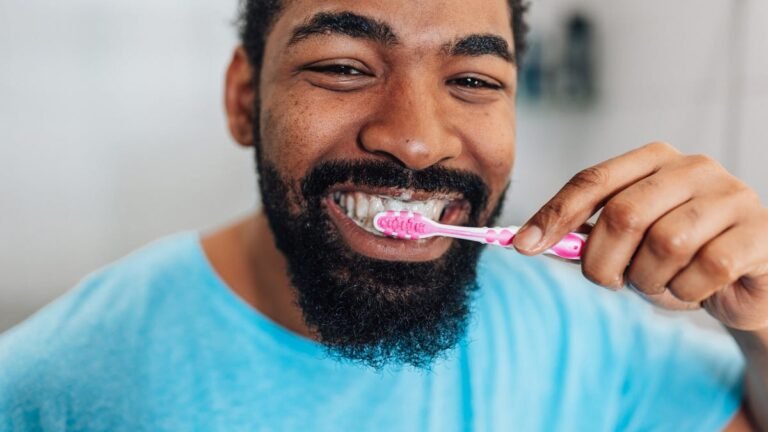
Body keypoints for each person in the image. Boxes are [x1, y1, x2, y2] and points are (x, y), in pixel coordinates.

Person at [1, 0, 766, 430]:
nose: (417, 139)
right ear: (243, 99)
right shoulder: (57, 385)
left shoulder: (576, 333)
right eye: (342, 67)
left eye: (473, 79)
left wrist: (761, 317)